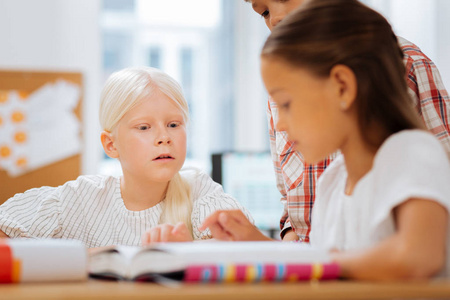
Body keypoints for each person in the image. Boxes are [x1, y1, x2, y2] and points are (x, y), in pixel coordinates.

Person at [201, 0, 450, 280]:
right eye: (265, 12)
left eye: (287, 103)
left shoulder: (415, 152)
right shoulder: (332, 184)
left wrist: (322, 264)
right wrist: (258, 245)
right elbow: (320, 266)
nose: (279, 123)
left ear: (342, 87)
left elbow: (418, 256)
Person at [0, 66, 252, 248]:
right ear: (111, 145)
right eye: (144, 127)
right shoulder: (77, 199)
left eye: (174, 124)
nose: (164, 137)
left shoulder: (200, 192)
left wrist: (191, 253)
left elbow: (248, 251)